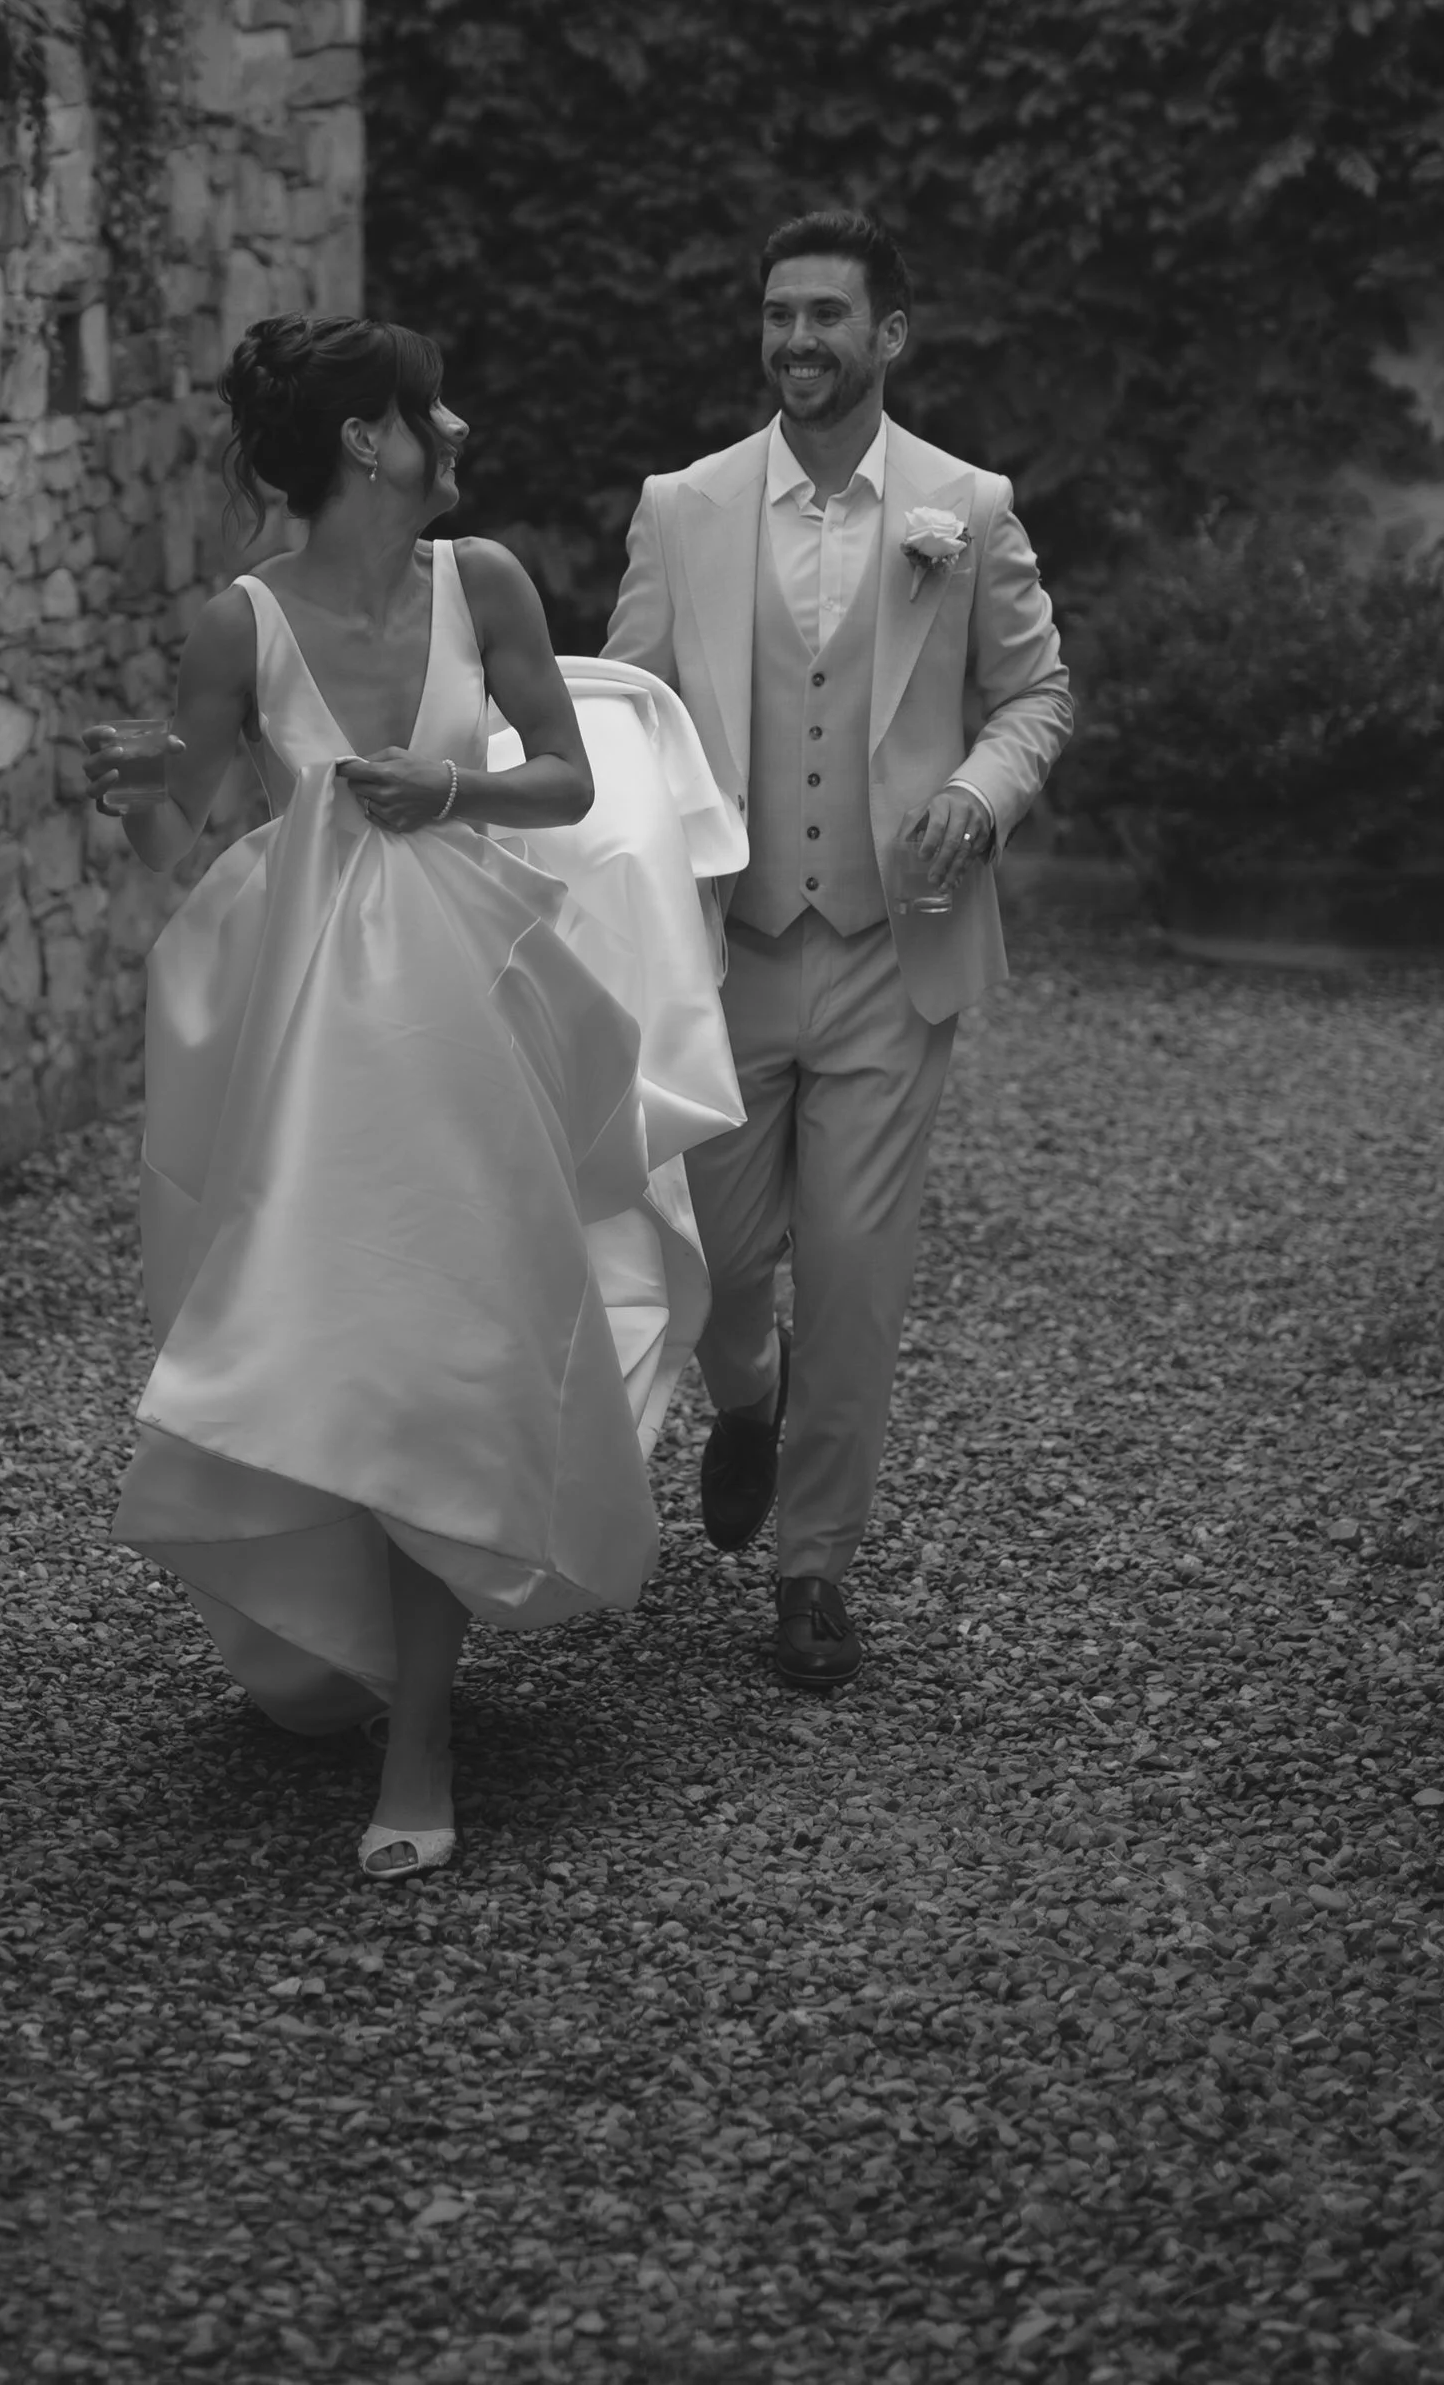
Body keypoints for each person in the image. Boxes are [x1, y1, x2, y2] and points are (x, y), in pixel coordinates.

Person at [83, 315, 738, 1880]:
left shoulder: (486, 582)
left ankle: (425, 1740)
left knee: (447, 1347)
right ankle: (328, 1631)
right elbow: (174, 835)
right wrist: (131, 784)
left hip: (466, 1009)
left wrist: (456, 788)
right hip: (305, 1030)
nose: (456, 426)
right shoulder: (237, 625)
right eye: (425, 408)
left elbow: (570, 779)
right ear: (368, 441)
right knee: (332, 1347)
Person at [604, 207, 1074, 1694]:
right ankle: (745, 1401)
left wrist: (977, 795)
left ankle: (816, 1568)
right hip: (726, 947)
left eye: (828, 314)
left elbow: (1036, 698)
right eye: (779, 313)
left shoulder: (968, 506)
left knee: (856, 1275)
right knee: (727, 1265)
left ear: (890, 336)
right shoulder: (683, 507)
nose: (798, 338)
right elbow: (624, 716)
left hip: (891, 950)